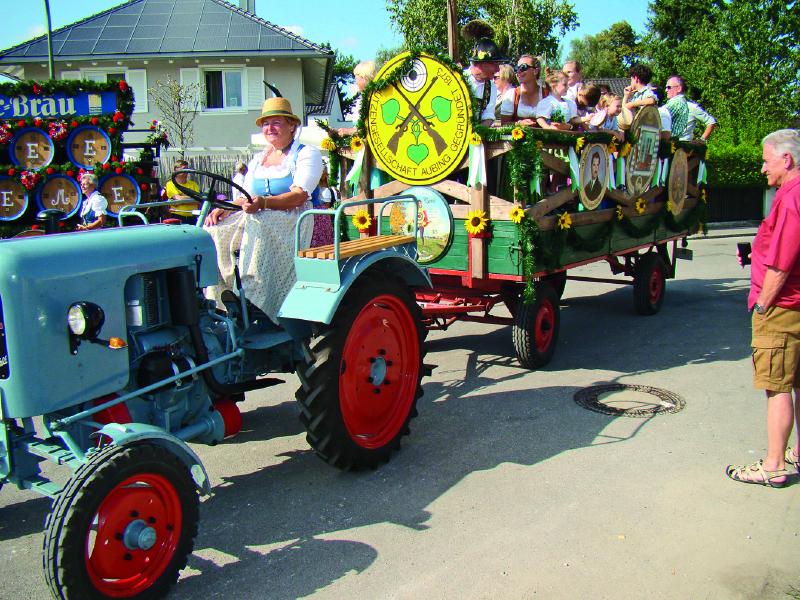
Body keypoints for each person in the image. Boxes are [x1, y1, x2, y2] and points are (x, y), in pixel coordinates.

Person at [204, 97, 323, 324]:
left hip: (295, 216)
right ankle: (222, 296)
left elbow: (299, 195)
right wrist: (226, 208)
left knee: (257, 224)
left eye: (276, 122)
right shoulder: (259, 159)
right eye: (266, 124)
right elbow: (245, 197)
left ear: (291, 125)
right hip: (259, 213)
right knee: (213, 230)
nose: (270, 128)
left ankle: (256, 297)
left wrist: (264, 204)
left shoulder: (307, 153)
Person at [726, 129, 800, 488]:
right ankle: (796, 454)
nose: (761, 168)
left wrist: (762, 304)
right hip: (795, 302)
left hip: (784, 306)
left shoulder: (790, 198)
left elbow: (783, 263)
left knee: (777, 386)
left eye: (766, 161)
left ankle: (773, 465)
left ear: (786, 160)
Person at [462, 20, 504, 127]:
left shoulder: (491, 88)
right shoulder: (459, 79)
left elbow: (488, 116)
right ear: (481, 63)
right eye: (494, 64)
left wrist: (475, 135)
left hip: (474, 140)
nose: (497, 69)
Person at [499, 55, 546, 126]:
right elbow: (504, 124)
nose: (518, 71)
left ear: (535, 71)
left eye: (523, 67)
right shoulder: (512, 94)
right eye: (516, 68)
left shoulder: (547, 93)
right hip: (517, 136)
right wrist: (519, 124)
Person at [337, 60, 377, 136]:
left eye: (356, 78)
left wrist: (350, 131)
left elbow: (372, 129)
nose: (355, 82)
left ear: (364, 78)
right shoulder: (363, 99)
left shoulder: (375, 100)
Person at [310, 165, 335, 248]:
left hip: (319, 214)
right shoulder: (316, 185)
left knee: (319, 238)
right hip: (318, 213)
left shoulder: (325, 190)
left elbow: (327, 205)